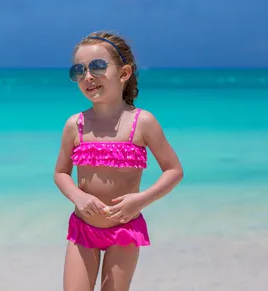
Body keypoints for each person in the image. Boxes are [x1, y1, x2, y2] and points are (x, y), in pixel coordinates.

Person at [53, 31, 184, 291]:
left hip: (124, 229)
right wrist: (77, 197)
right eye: (79, 70)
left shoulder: (142, 122)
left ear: (124, 73)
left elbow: (174, 170)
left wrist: (142, 199)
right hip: (83, 228)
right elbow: (61, 173)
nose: (88, 76)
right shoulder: (75, 125)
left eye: (98, 67)